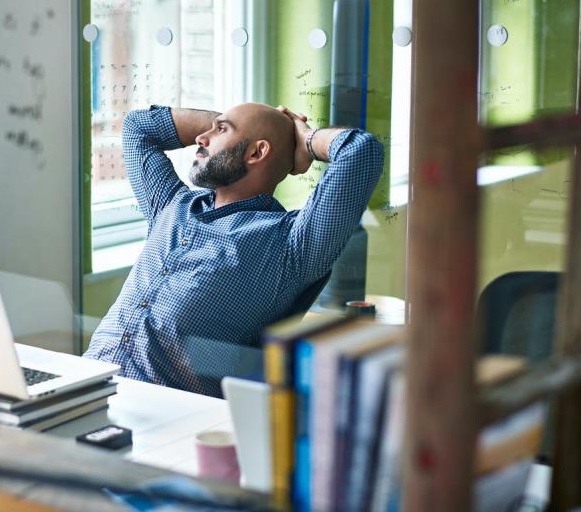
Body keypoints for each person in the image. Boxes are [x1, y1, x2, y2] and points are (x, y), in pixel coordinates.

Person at [83, 103, 383, 397]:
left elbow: (361, 151)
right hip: (84, 383)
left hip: (165, 417)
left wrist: (302, 138)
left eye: (220, 130)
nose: (201, 137)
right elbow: (139, 127)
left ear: (256, 152)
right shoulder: (172, 205)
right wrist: (238, 125)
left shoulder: (291, 244)